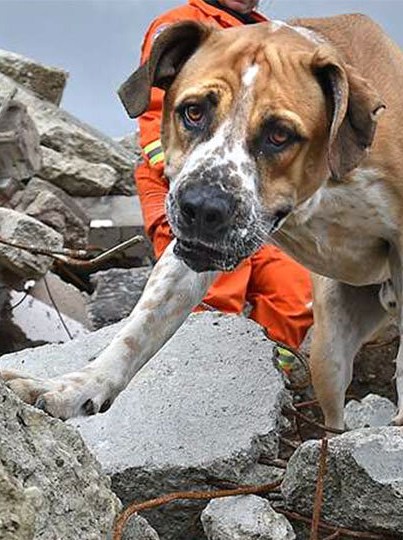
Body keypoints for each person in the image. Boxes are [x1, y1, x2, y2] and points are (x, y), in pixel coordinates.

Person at [134, 0, 315, 353]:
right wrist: (187, 184)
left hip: (257, 198)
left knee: (294, 294)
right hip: (195, 196)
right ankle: (198, 380)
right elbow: (157, 115)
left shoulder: (278, 43)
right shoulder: (184, 24)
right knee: (213, 297)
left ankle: (265, 381)